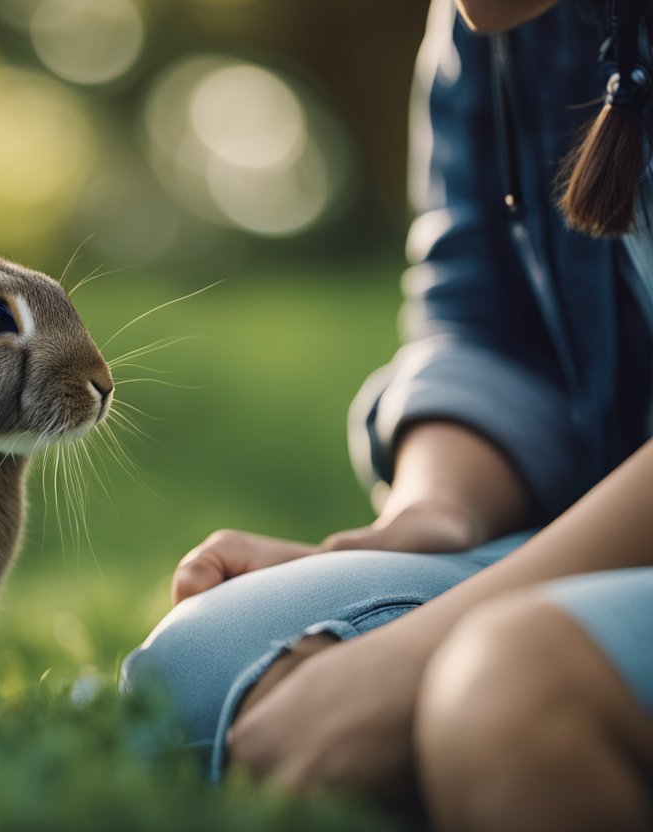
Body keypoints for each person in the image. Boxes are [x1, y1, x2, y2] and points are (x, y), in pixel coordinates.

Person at [121, 0, 653, 827]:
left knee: (509, 699)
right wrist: (432, 512)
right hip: (610, 535)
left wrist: (425, 646)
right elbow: (484, 315)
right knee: (196, 668)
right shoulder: (487, 29)